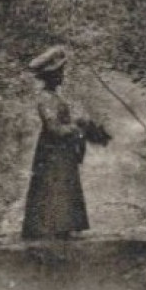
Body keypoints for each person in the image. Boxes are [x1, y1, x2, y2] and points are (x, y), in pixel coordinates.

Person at [20, 45, 107, 240]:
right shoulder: (45, 98)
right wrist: (77, 129)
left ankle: (62, 226)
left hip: (60, 150)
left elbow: (62, 123)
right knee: (52, 184)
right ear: (49, 76)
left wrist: (80, 124)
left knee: (63, 184)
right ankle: (50, 228)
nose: (62, 76)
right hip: (52, 151)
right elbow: (54, 129)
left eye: (61, 71)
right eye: (58, 72)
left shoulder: (54, 97)